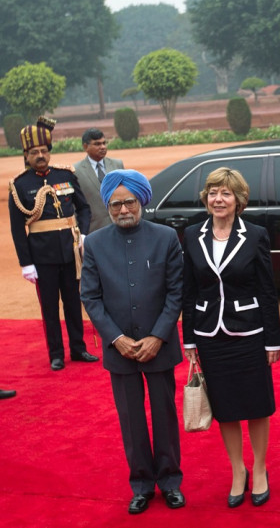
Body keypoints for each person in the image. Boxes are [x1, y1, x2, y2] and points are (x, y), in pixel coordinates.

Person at [80, 169, 186, 515]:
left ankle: (170, 481)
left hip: (160, 344)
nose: (123, 210)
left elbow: (175, 292)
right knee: (132, 419)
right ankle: (141, 484)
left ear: (141, 201)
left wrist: (157, 335)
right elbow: (91, 297)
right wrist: (116, 338)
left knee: (164, 415)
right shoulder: (94, 243)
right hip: (119, 349)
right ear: (107, 207)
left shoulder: (166, 237)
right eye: (115, 205)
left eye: (129, 202)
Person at [181, 167, 280, 509]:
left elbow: (267, 289)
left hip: (249, 332)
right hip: (210, 335)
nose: (218, 199)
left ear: (239, 199)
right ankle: (237, 471)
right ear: (205, 198)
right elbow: (189, 290)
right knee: (225, 409)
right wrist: (190, 340)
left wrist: (273, 339)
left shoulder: (255, 234)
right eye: (212, 193)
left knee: (256, 405)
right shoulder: (193, 233)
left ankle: (260, 468)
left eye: (225, 193)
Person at [8, 117, 98, 371]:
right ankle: (56, 354)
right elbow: (17, 229)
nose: (40, 155)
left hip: (70, 253)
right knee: (49, 308)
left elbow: (84, 208)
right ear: (26, 155)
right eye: (35, 152)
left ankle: (79, 348)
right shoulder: (19, 185)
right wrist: (26, 264)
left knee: (73, 302)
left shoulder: (65, 175)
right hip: (42, 257)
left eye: (44, 151)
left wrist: (84, 234)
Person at [73, 128, 124, 232]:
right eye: (97, 144)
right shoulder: (75, 171)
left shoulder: (117, 165)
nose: (103, 147)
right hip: (93, 230)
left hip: (120, 226)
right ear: (85, 146)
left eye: (104, 143)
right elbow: (75, 205)